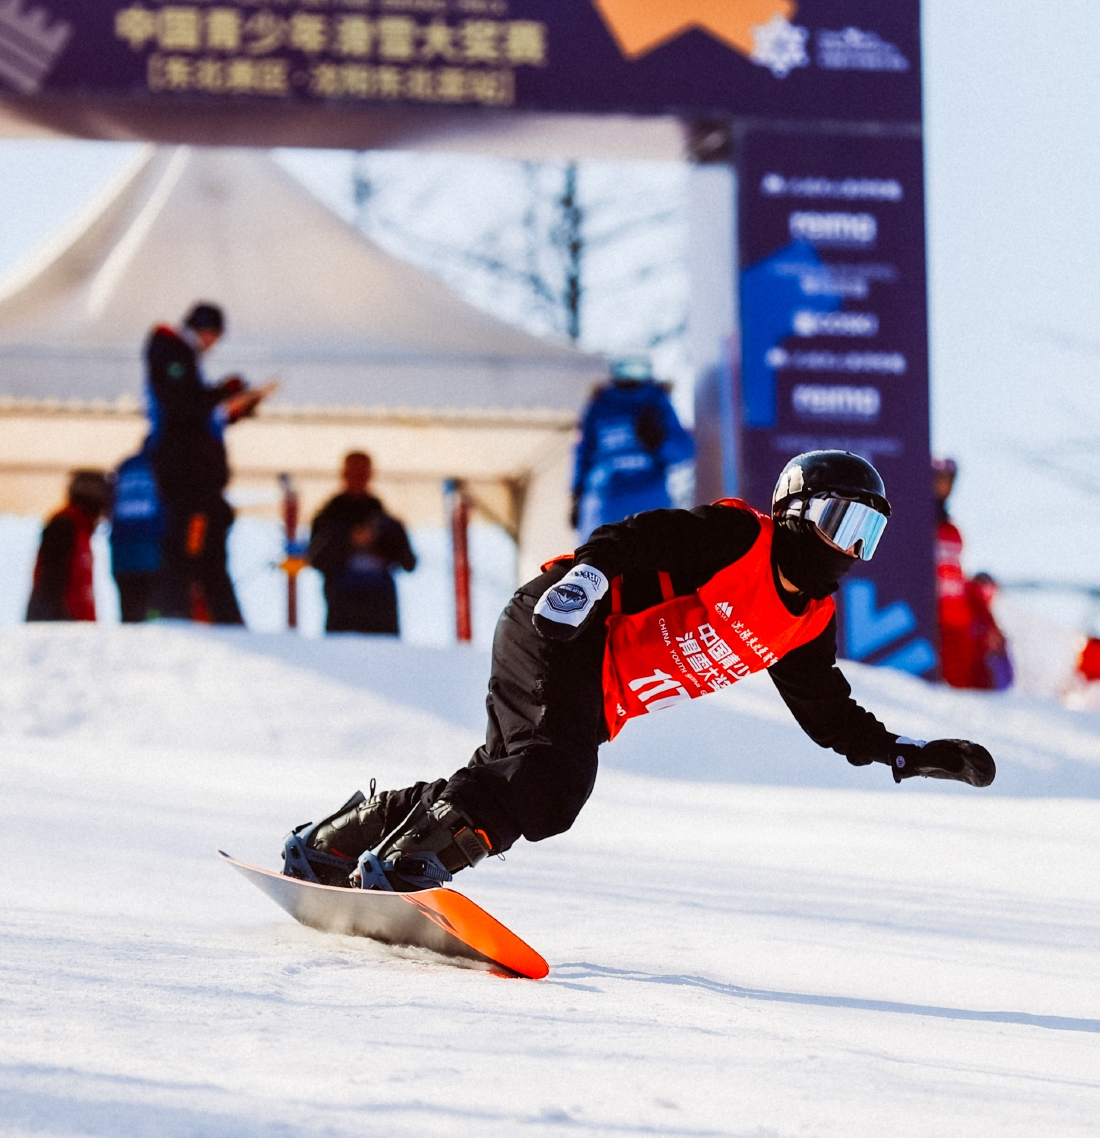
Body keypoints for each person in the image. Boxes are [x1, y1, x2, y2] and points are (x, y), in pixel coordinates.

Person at [282, 450, 997, 894]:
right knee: (552, 787)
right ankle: (408, 865)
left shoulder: (806, 620)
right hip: (563, 623)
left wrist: (902, 752)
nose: (850, 550)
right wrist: (588, 576)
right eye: (843, 525)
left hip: (590, 693)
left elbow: (828, 713)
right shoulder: (739, 539)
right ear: (797, 514)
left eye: (866, 537)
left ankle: (339, 841)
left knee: (510, 781)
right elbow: (643, 535)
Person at [145, 302, 272, 625]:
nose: (213, 344)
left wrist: (232, 408)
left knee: (201, 544)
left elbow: (194, 414)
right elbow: (182, 406)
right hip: (186, 474)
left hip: (192, 474)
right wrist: (221, 393)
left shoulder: (178, 354)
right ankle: (177, 611)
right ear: (204, 330)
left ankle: (199, 612)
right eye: (213, 335)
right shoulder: (172, 350)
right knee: (188, 544)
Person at [572, 356, 695, 537]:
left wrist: (659, 442)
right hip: (607, 503)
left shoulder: (657, 403)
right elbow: (582, 452)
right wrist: (576, 494)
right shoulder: (599, 405)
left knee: (612, 559)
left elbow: (684, 451)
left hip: (640, 503)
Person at [307, 450, 416, 635]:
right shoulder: (326, 520)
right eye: (353, 471)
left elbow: (408, 562)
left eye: (362, 472)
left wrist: (381, 545)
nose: (358, 477)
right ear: (343, 474)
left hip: (380, 610)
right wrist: (348, 542)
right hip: (342, 609)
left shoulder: (387, 521)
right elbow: (315, 559)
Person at [932, 456, 1010, 691]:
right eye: (938, 479)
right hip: (931, 616)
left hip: (957, 618)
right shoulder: (916, 524)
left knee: (964, 684)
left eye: (948, 480)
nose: (943, 485)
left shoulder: (951, 529)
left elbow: (955, 574)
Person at [24, 470, 111, 623]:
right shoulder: (63, 525)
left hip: (74, 624)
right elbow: (51, 582)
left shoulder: (81, 529)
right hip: (59, 624)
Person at [108, 450, 165, 623]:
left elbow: (109, 503)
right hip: (152, 552)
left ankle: (130, 644)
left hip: (121, 555)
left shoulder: (125, 465)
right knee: (153, 613)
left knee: (129, 612)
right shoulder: (163, 464)